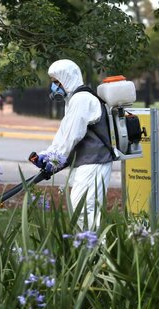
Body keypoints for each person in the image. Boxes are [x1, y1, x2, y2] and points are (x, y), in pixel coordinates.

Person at [34, 59, 114, 231]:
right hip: (86, 162)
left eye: (57, 82)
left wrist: (55, 159)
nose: (54, 87)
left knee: (85, 208)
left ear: (67, 78)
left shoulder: (82, 99)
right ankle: (91, 251)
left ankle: (98, 251)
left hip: (94, 162)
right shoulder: (74, 99)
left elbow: (72, 136)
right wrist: (48, 155)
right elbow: (64, 134)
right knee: (82, 209)